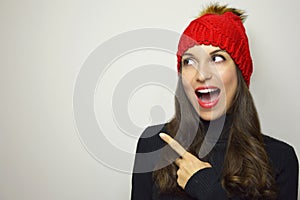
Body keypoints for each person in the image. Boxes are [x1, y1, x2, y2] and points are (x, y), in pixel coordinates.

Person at [131, 3, 299, 200]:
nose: (202, 74)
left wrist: (207, 188)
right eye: (190, 61)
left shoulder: (280, 159)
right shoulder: (154, 143)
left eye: (217, 58)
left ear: (239, 73)